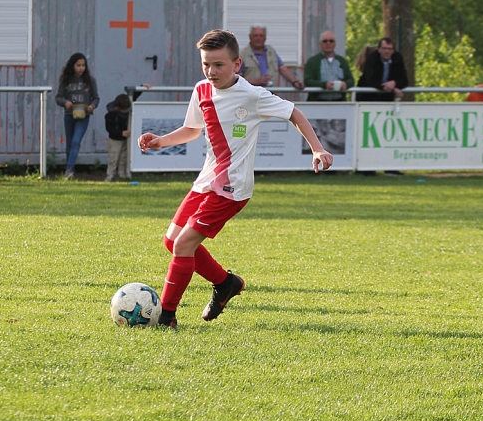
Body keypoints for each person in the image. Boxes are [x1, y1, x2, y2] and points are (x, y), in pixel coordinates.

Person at [137, 29, 333, 329]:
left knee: (184, 244)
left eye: (219, 65)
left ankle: (166, 316)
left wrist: (317, 148)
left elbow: (294, 113)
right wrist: (160, 141)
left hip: (232, 188)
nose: (211, 71)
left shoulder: (252, 95)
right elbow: (192, 130)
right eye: (206, 64)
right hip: (206, 181)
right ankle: (225, 283)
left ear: (237, 64)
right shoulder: (202, 90)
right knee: (172, 241)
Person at [55, 52, 100, 179]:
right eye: (78, 65)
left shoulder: (90, 81)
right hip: (70, 114)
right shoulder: (66, 80)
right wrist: (65, 102)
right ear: (72, 66)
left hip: (84, 115)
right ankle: (70, 169)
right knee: (69, 143)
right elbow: (58, 97)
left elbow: (96, 98)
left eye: (83, 65)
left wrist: (92, 106)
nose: (81, 68)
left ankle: (69, 169)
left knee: (76, 141)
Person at [239, 25, 305, 89]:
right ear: (250, 37)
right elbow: (237, 78)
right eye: (255, 36)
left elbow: (282, 68)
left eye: (261, 36)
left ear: (265, 38)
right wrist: (257, 81)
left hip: (271, 92)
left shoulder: (271, 51)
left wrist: (294, 81)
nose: (258, 38)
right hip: (252, 93)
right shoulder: (242, 54)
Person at [303, 30, 356, 101]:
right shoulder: (312, 61)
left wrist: (345, 84)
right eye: (325, 41)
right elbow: (307, 81)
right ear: (320, 44)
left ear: (335, 43)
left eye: (331, 41)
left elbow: (351, 80)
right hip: (318, 102)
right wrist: (324, 85)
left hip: (339, 102)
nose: (328, 43)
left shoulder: (342, 61)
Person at [356, 37, 408, 101]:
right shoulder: (372, 58)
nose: (387, 51)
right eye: (384, 48)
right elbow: (370, 80)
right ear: (379, 49)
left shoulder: (398, 59)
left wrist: (394, 83)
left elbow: (404, 80)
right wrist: (389, 88)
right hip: (367, 96)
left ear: (393, 50)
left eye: (390, 49)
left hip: (386, 98)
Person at [104, 93, 132, 182]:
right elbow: (109, 129)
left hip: (125, 139)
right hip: (114, 140)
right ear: (118, 107)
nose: (126, 111)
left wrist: (142, 87)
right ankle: (110, 175)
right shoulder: (110, 115)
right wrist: (121, 133)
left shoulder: (126, 112)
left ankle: (122, 174)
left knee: (123, 158)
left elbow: (134, 95)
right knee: (113, 158)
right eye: (124, 109)